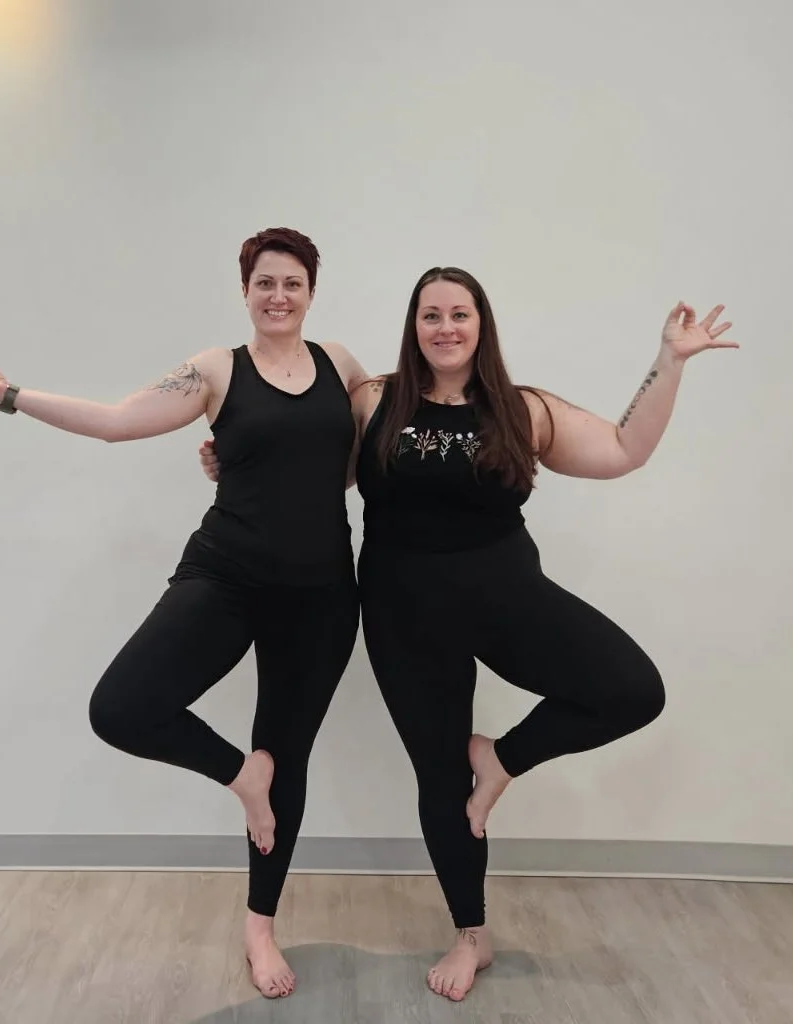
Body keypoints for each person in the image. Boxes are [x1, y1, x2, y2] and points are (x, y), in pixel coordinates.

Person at [200, 265, 737, 1002]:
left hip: (508, 598)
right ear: (413, 326)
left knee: (631, 688)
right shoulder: (375, 403)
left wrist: (669, 362)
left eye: (460, 313)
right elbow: (309, 464)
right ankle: (472, 936)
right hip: (403, 616)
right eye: (431, 315)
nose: (445, 327)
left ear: (481, 324)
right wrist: (229, 464)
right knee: (441, 782)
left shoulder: (523, 409)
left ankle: (502, 760)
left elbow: (622, 450)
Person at [0, 227, 369, 1001]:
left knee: (288, 751)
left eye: (292, 283)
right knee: (125, 706)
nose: (278, 296)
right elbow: (114, 419)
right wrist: (7, 393)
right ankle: (244, 775)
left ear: (311, 290)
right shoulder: (215, 370)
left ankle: (259, 926)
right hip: (226, 576)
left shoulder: (342, 366)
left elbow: (369, 460)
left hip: (323, 593)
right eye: (264, 282)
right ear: (245, 290)